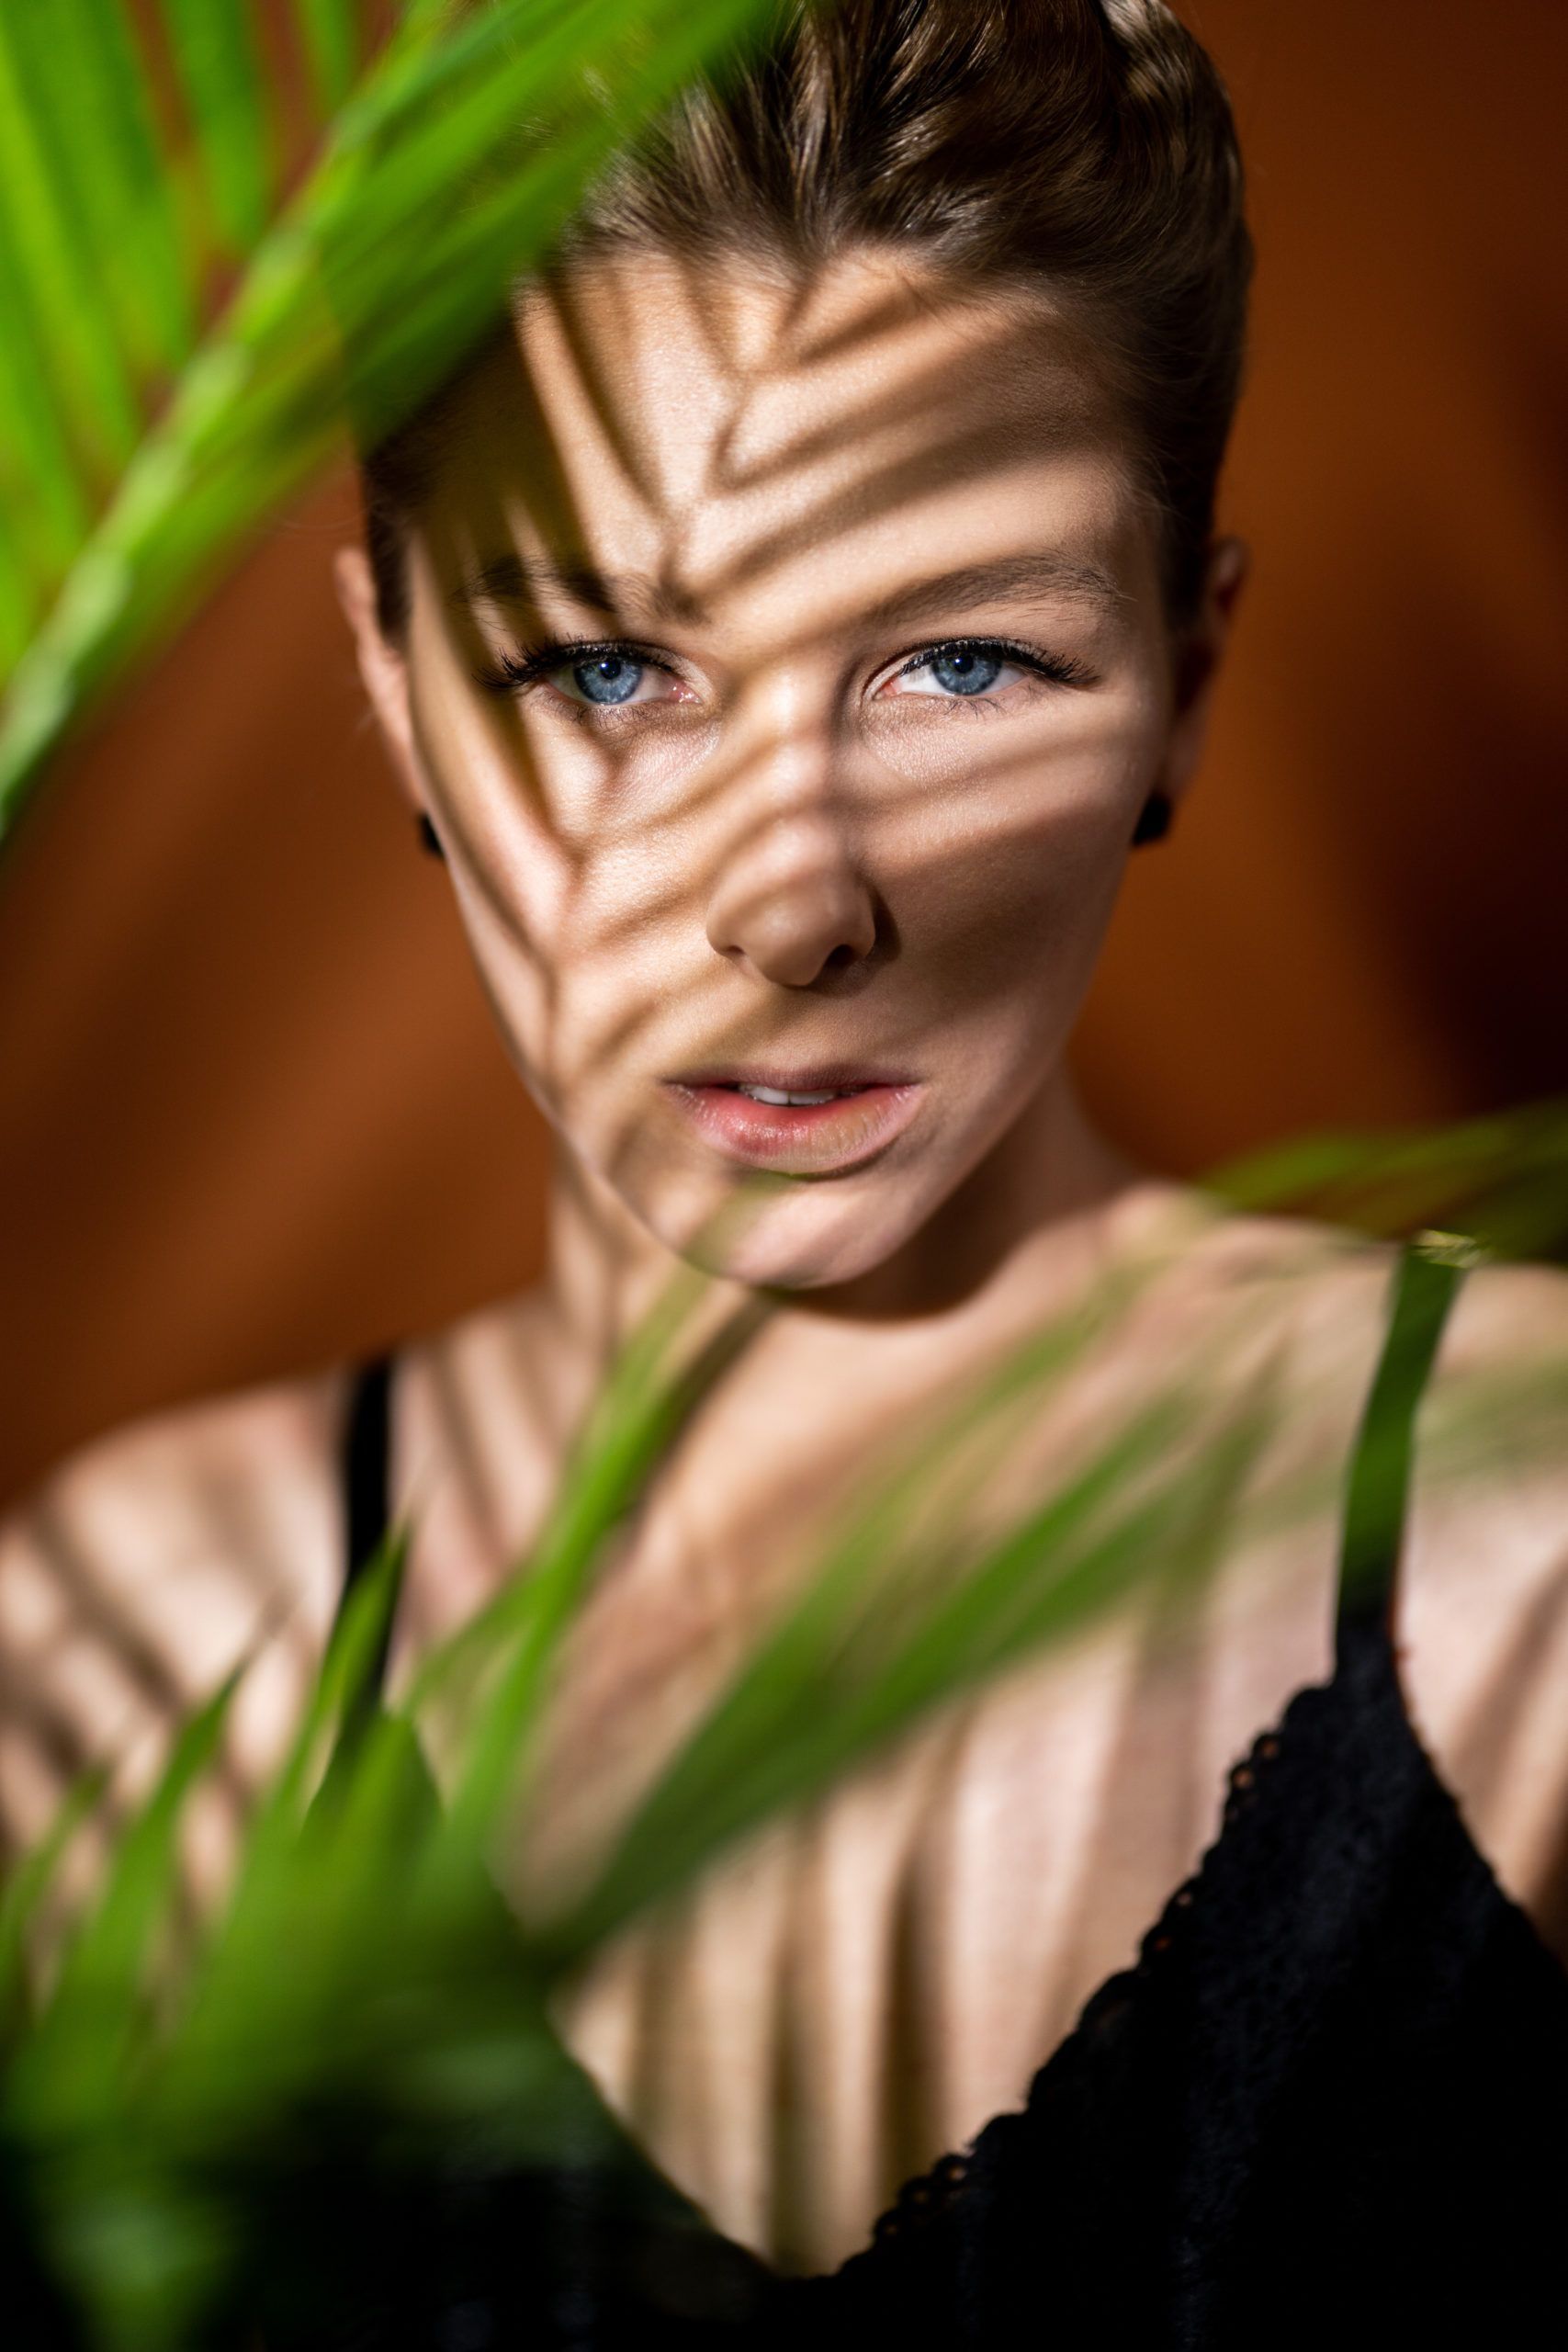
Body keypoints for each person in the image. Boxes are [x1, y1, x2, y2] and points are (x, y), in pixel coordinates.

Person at [3, 0, 1566, 2336]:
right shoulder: (120, 1659)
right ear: (387, 675)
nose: (791, 900)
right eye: (609, 673)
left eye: (955, 665)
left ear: (1188, 679)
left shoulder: (1526, 1565)